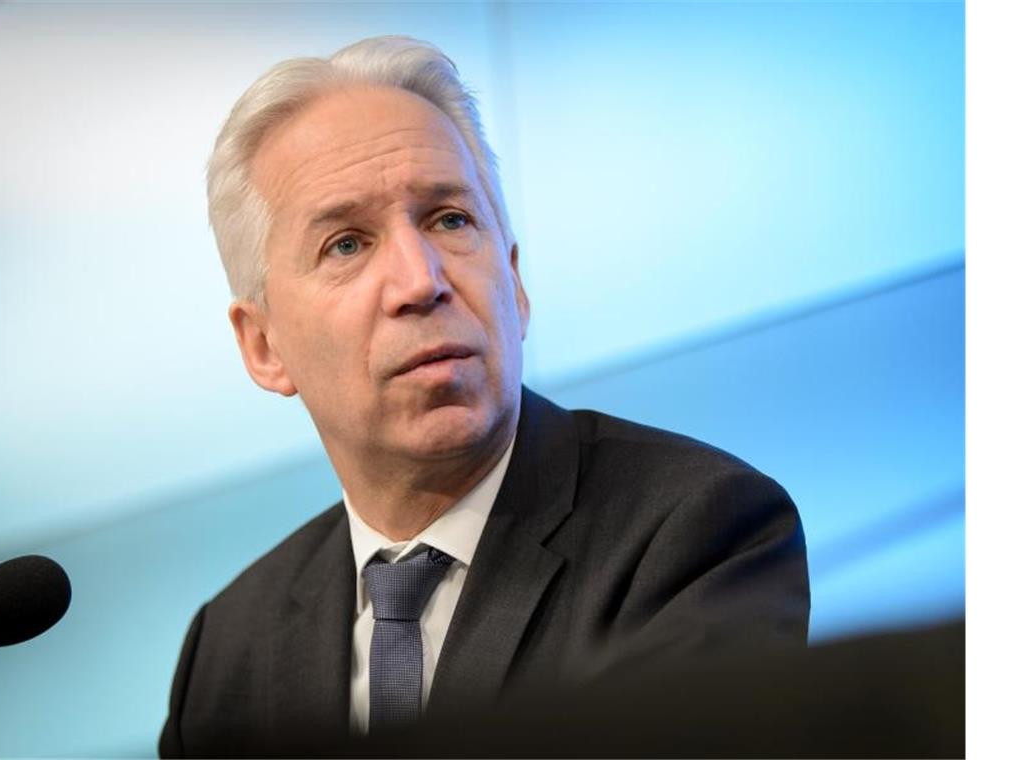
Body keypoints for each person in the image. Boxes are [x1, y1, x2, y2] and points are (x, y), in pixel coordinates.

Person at [159, 35, 809, 758]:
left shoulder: (695, 532)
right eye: (346, 243)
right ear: (264, 346)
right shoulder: (225, 654)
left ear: (516, 283)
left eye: (449, 219)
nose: (421, 280)